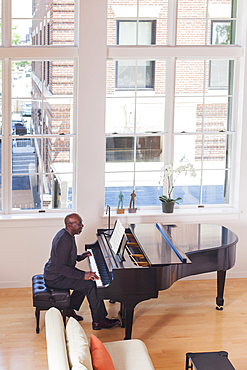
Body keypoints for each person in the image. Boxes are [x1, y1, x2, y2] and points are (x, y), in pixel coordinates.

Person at [44, 213, 120, 330]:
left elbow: (64, 258)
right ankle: (99, 321)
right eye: (79, 224)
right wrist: (83, 275)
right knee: (90, 284)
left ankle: (69, 308)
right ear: (70, 225)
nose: (82, 226)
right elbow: (60, 267)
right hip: (56, 278)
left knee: (85, 281)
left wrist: (80, 257)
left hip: (57, 273)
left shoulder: (66, 234)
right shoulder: (64, 241)